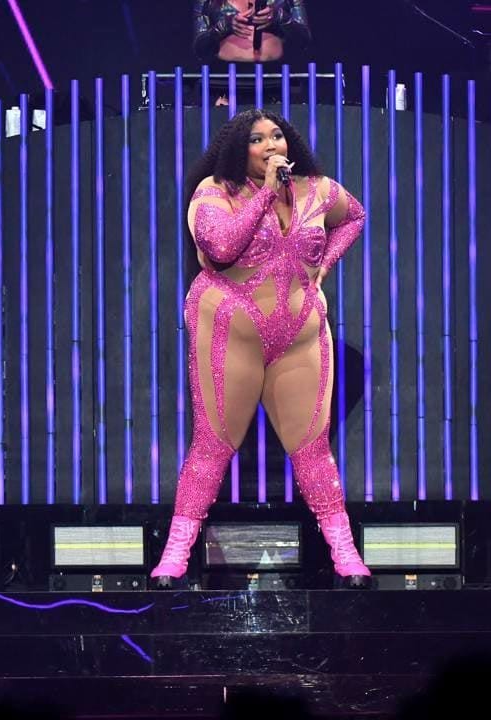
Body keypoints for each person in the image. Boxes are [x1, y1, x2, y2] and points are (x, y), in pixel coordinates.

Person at [150, 108, 369, 588]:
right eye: (257, 139)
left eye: (278, 136)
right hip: (231, 327)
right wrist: (267, 191)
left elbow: (354, 216)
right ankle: (175, 557)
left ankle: (346, 556)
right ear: (237, 149)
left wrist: (324, 265)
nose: (272, 145)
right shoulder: (214, 192)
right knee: (211, 446)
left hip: (300, 332)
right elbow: (223, 246)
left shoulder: (316, 191)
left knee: (313, 448)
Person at [192, 0, 311, 63]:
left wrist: (280, 17)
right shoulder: (208, 2)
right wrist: (224, 26)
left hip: (276, 76)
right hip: (225, 79)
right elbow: (200, 49)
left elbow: (303, 40)